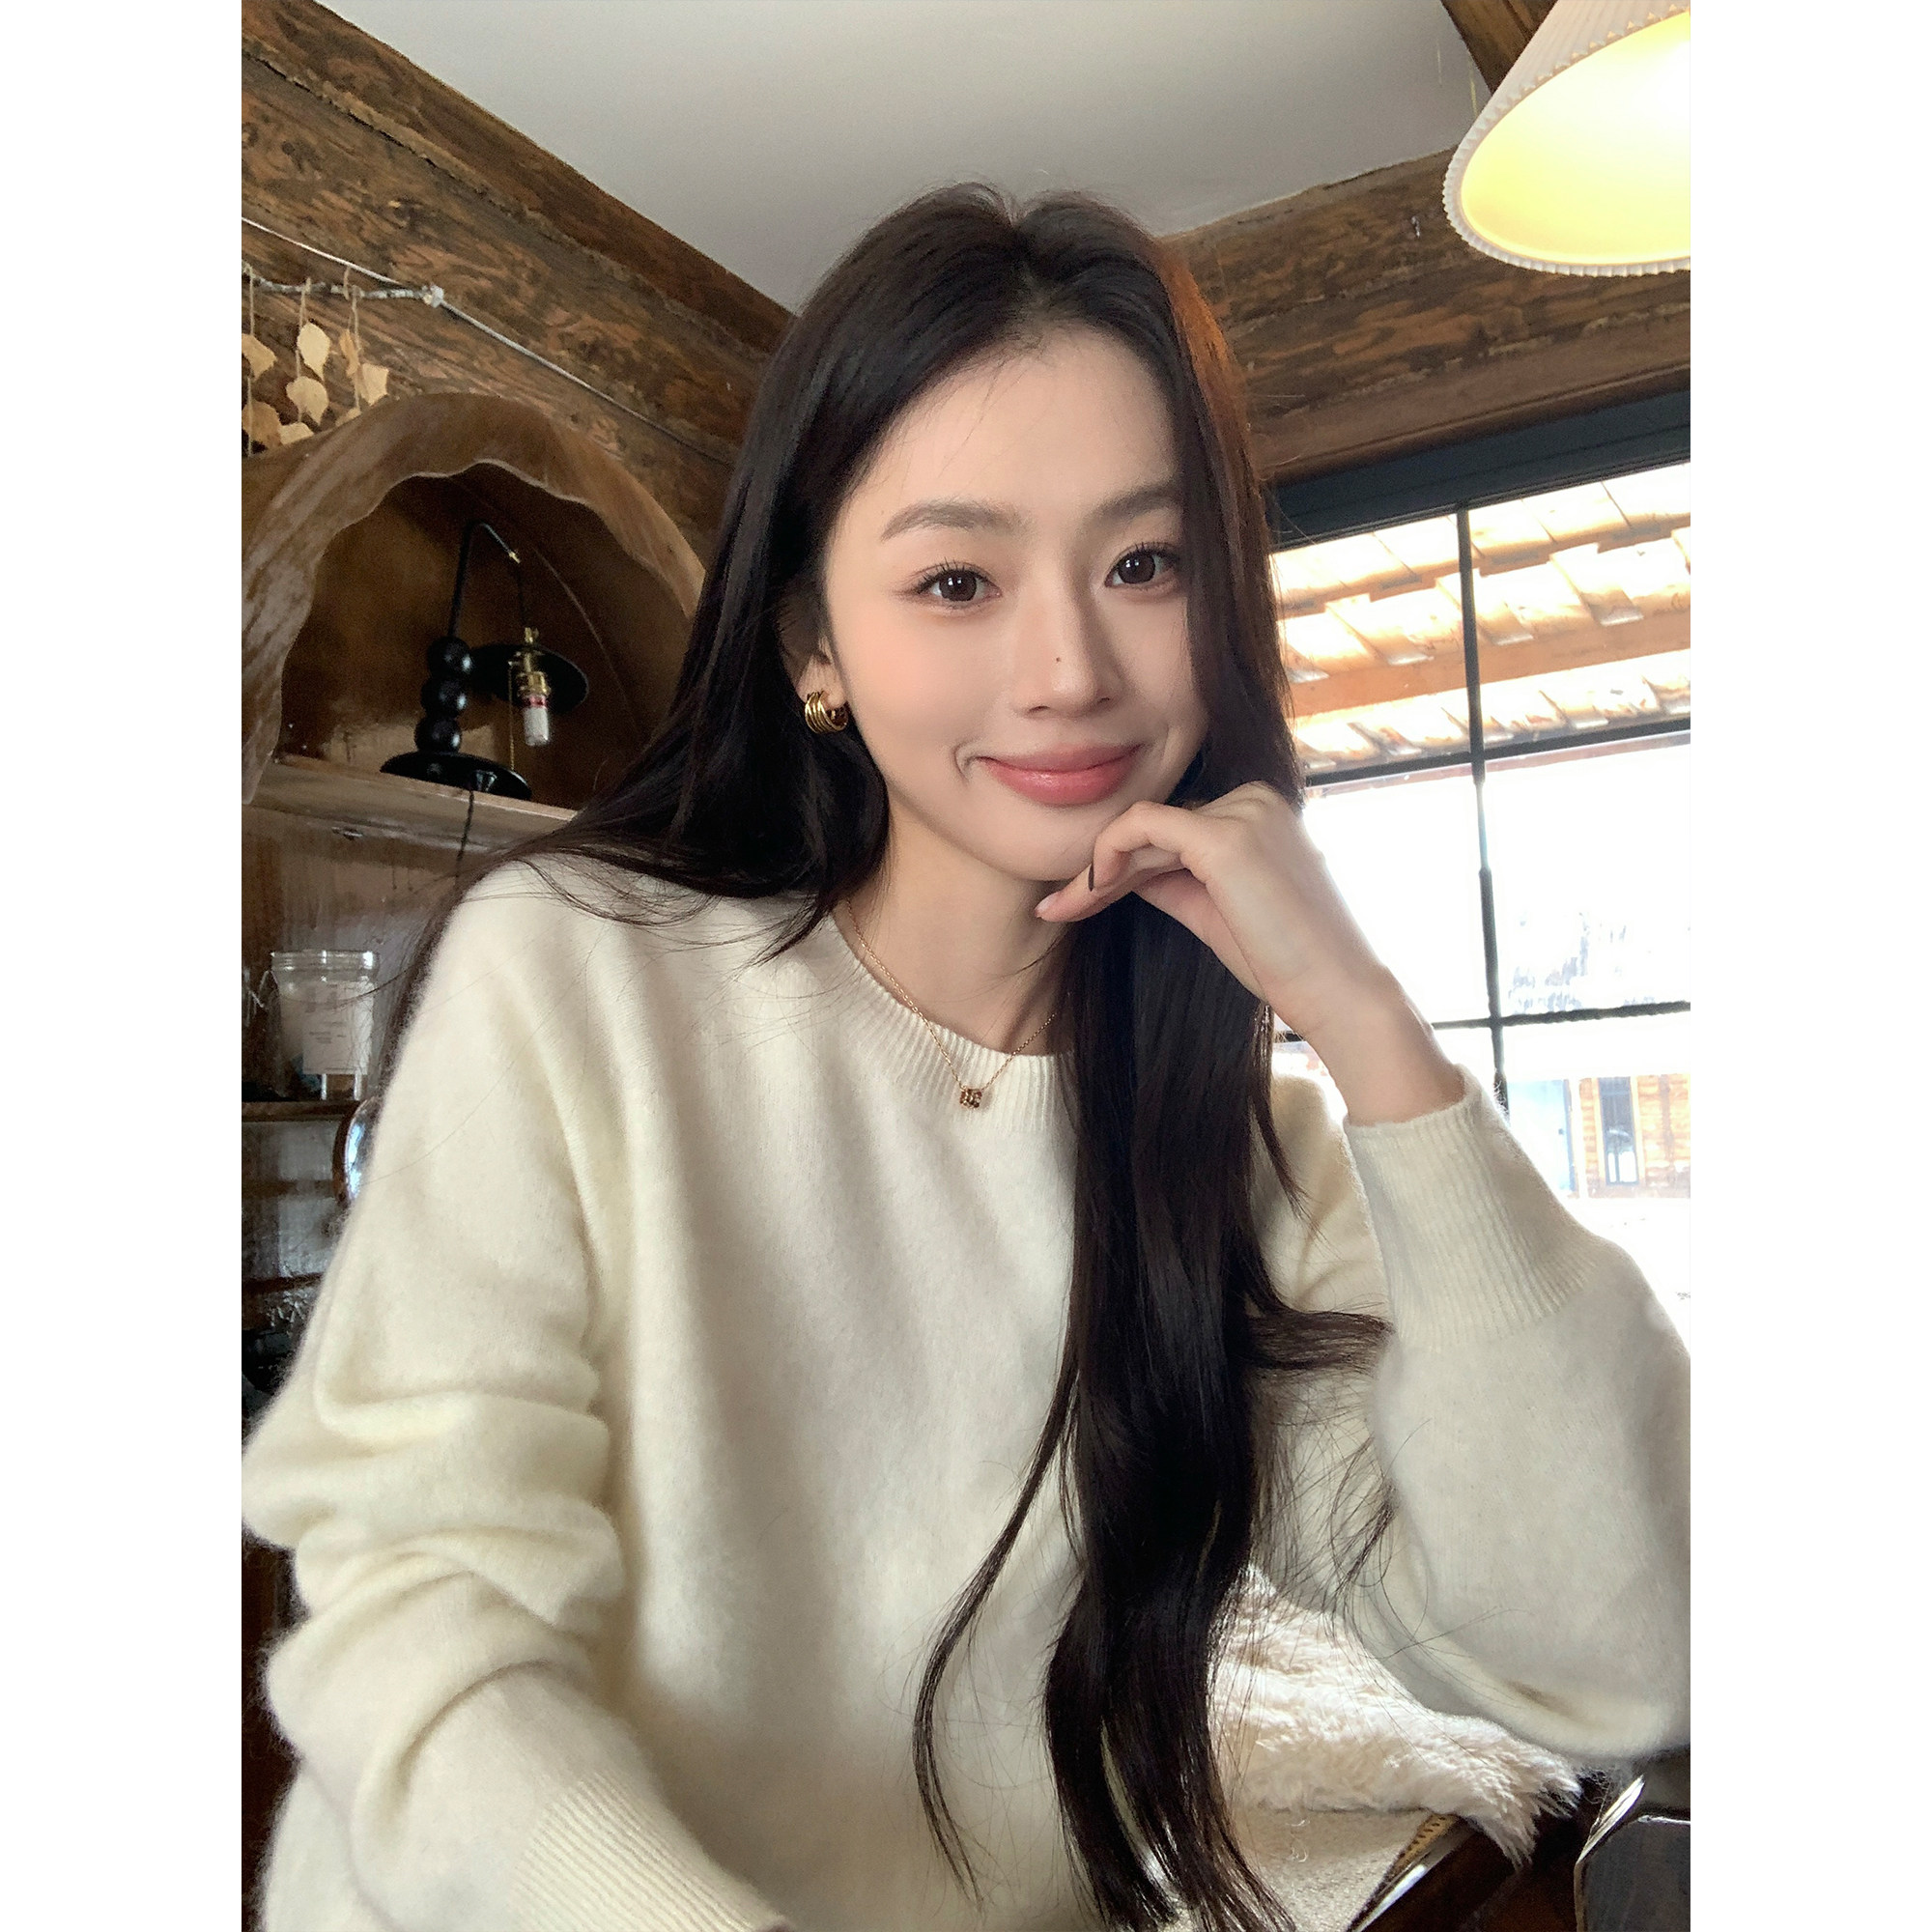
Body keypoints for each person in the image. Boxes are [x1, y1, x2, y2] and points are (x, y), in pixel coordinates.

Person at [241, 184, 1690, 1932]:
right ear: (815, 647)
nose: (1069, 670)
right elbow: (420, 1638)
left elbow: (1607, 1651)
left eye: (1143, 565)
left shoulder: (1232, 1150)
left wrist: (1372, 1027)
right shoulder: (576, 977)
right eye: (956, 579)